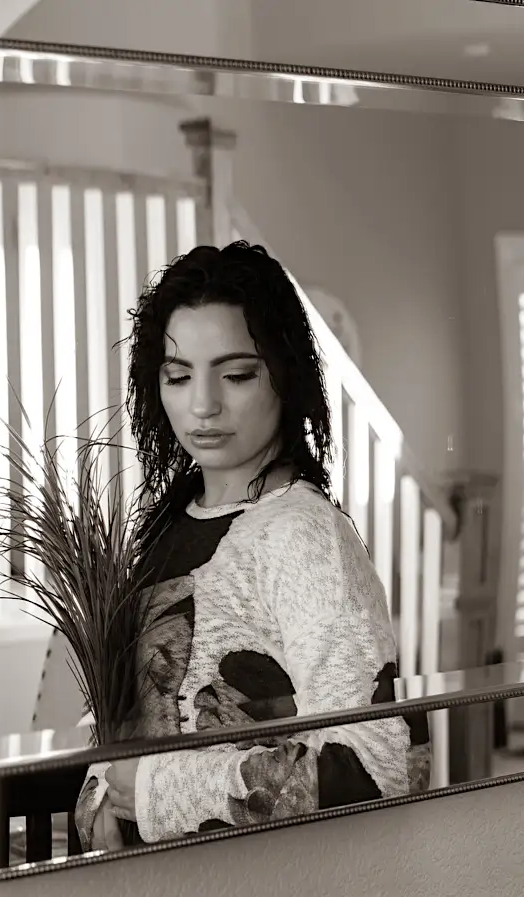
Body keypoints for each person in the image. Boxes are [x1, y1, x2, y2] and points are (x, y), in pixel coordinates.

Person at [76, 241, 428, 850]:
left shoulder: (303, 538)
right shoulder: (163, 530)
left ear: (283, 374)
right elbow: (122, 734)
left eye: (237, 374)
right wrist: (102, 793)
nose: (203, 405)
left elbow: (382, 766)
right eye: (179, 376)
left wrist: (157, 791)